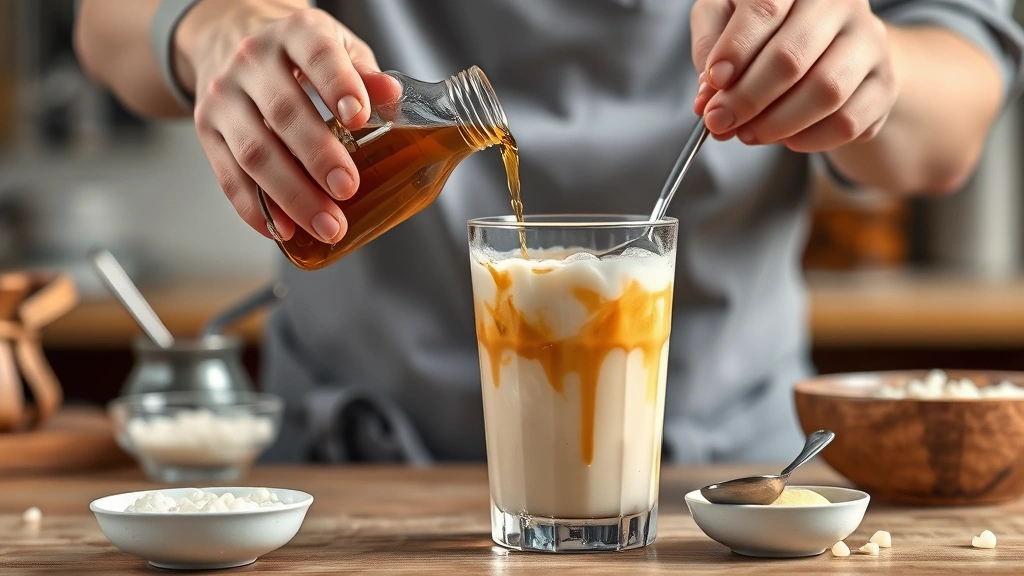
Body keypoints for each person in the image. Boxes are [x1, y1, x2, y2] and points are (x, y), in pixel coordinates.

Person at [75, 0, 1023, 464]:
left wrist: (867, 68)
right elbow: (104, 24)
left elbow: (956, 98)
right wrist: (204, 28)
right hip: (350, 467)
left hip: (719, 481)